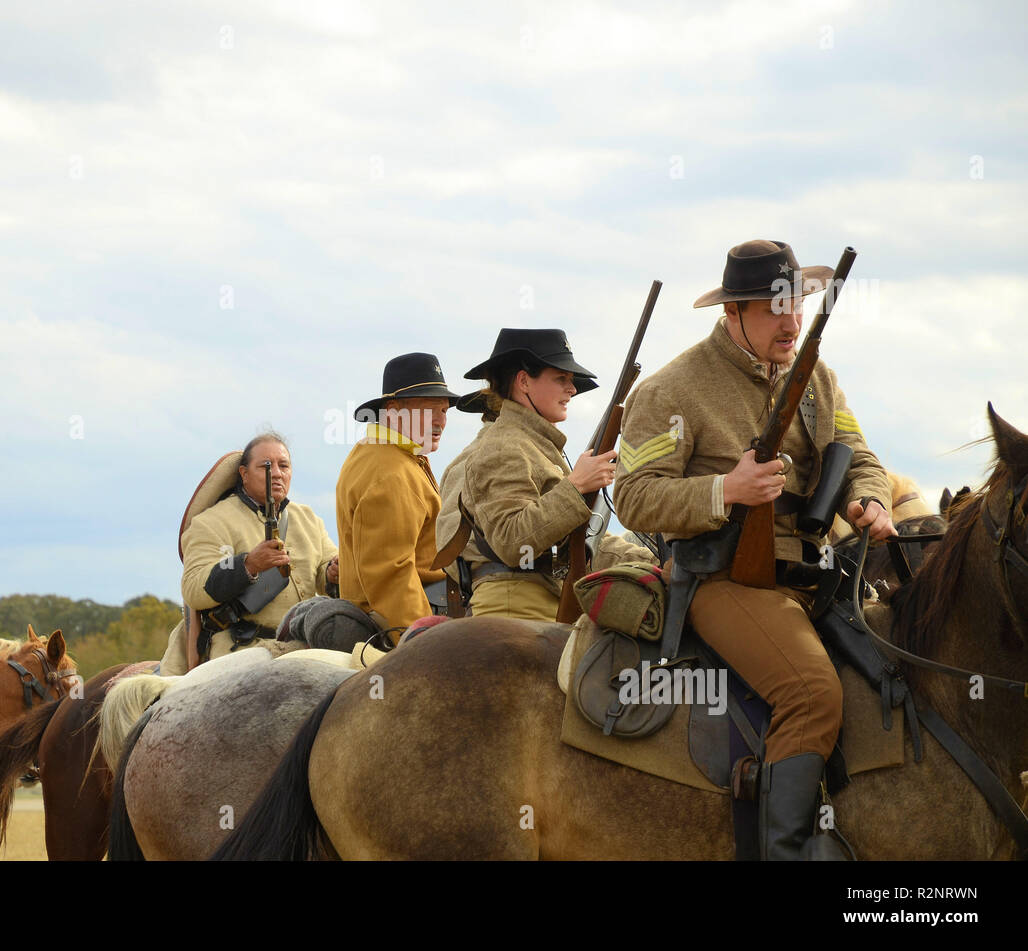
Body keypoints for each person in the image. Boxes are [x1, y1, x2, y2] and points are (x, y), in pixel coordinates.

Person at [613, 239, 895, 860]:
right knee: (812, 694)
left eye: (797, 304)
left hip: (813, 576)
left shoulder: (817, 378)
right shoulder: (671, 389)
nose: (791, 320)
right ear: (733, 312)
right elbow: (632, 496)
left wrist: (869, 501)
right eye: (774, 308)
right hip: (724, 582)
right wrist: (725, 490)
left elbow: (862, 458)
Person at [451, 329, 645, 620]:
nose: (573, 389)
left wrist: (651, 561)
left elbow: (583, 539)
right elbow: (513, 542)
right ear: (524, 381)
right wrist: (577, 485)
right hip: (517, 607)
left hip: (539, 597)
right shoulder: (503, 447)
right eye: (561, 379)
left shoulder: (534, 445)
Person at [176, 433, 339, 667]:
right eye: (265, 466)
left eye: (283, 465)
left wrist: (333, 573)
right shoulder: (211, 522)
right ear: (244, 474)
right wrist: (248, 564)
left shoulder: (308, 519)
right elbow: (193, 587)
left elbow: (325, 570)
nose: (276, 473)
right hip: (241, 649)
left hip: (305, 645)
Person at [336, 352, 457, 637]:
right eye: (430, 410)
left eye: (444, 411)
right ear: (392, 410)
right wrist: (424, 643)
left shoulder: (387, 456)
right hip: (404, 622)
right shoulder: (390, 471)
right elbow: (392, 573)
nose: (440, 421)